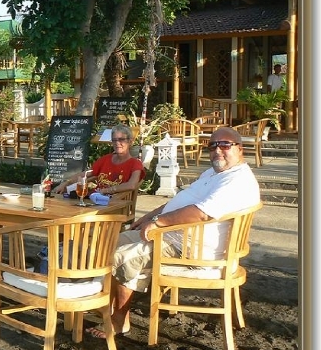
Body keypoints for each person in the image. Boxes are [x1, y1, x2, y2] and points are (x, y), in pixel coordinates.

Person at [85, 127, 260, 338]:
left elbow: (202, 214)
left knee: (122, 257)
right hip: (173, 235)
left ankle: (119, 320)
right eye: (212, 145)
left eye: (225, 145)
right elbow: (180, 201)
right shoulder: (214, 173)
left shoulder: (236, 180)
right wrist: (149, 217)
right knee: (106, 244)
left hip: (190, 248)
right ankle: (107, 305)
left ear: (240, 149)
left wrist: (159, 222)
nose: (217, 150)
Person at [53, 124, 145, 197]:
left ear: (130, 141)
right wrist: (65, 183)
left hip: (116, 204)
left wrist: (106, 190)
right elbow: (86, 174)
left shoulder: (135, 164)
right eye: (114, 140)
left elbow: (132, 185)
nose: (117, 143)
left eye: (121, 140)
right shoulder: (106, 159)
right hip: (95, 199)